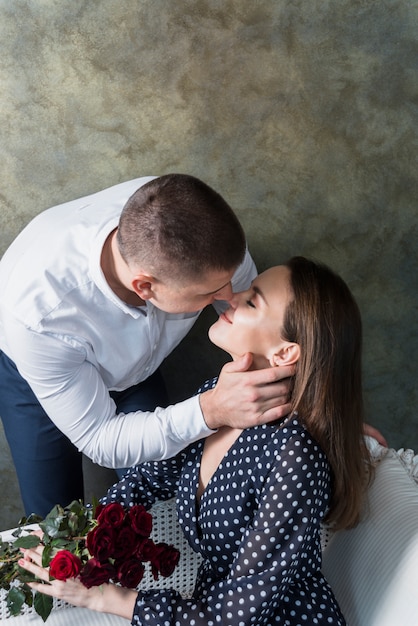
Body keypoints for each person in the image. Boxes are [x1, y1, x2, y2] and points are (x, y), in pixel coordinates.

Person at [20, 256, 375, 625]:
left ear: (285, 353)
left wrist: (103, 597)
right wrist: (76, 543)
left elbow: (234, 617)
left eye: (252, 300)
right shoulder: (218, 397)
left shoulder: (294, 458)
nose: (232, 297)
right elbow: (147, 480)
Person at [0, 174, 293, 518]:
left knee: (157, 510)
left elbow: (268, 340)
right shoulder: (38, 318)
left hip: (140, 375)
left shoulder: (199, 231)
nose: (230, 298)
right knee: (53, 522)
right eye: (210, 293)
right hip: (38, 375)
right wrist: (211, 410)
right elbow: (100, 440)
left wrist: (321, 415)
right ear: (145, 287)